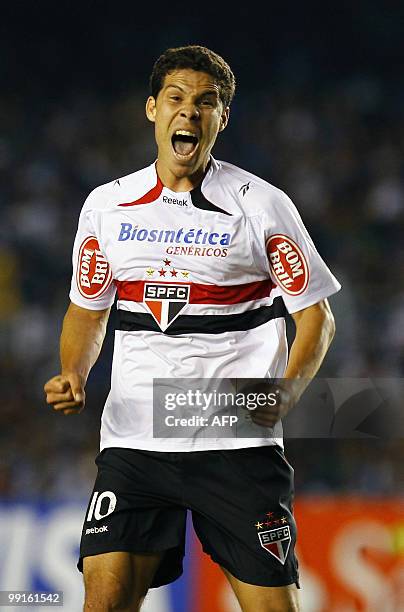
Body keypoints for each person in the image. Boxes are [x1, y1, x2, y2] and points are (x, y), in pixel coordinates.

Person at [44, 45, 340, 612]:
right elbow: (88, 307)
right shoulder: (107, 206)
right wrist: (73, 372)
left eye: (206, 102)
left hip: (234, 441)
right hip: (134, 441)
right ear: (152, 109)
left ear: (222, 119)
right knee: (102, 604)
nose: (189, 112)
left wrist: (287, 391)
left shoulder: (262, 206)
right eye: (176, 99)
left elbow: (316, 316)